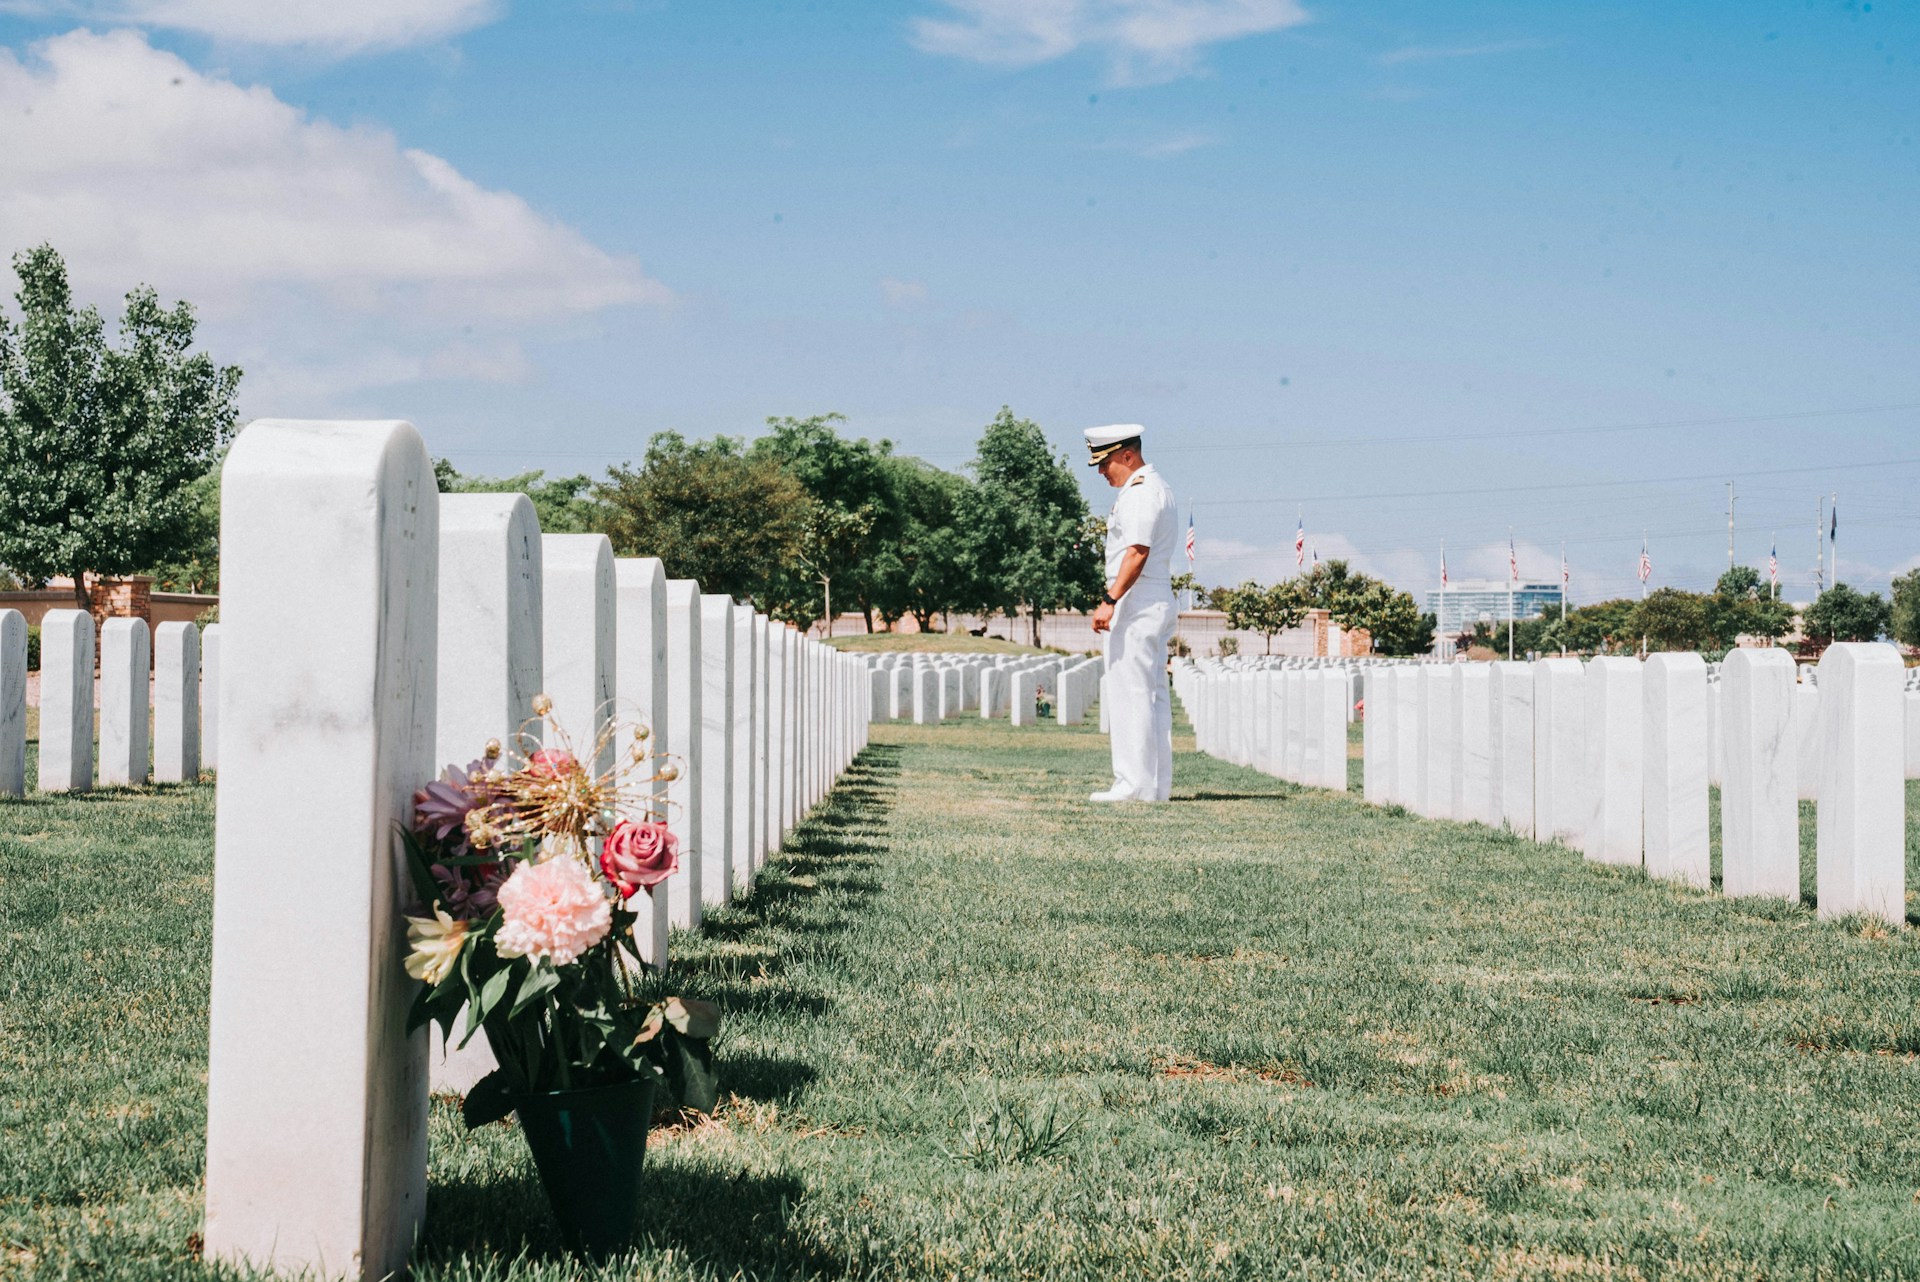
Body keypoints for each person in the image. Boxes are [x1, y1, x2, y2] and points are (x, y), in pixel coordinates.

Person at [1085, 424, 1177, 802]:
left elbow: (1136, 552)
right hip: (1153, 597)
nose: (1102, 472)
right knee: (1151, 695)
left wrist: (1110, 599)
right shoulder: (1159, 488)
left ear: (1127, 455)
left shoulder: (1139, 493)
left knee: (1131, 693)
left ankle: (1132, 785)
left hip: (1137, 601)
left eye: (1105, 463)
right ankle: (1154, 786)